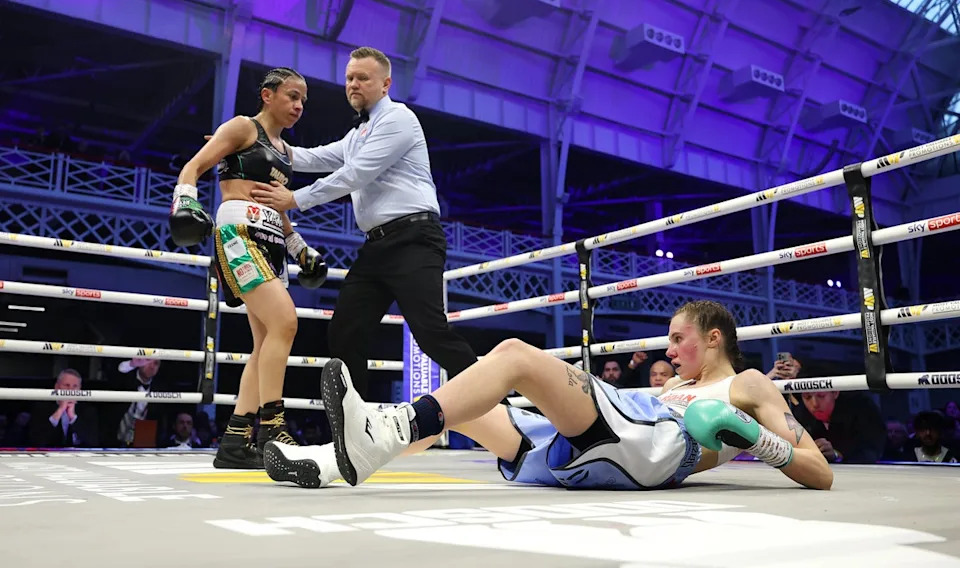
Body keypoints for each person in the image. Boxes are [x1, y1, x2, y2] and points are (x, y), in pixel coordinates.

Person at [263, 300, 833, 491]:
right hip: (618, 440)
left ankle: (371, 439)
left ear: (714, 338)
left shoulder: (747, 384)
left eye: (679, 339)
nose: (671, 350)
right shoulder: (679, 386)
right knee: (468, 409)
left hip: (654, 447)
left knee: (512, 355)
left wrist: (757, 438)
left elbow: (819, 472)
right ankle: (326, 461)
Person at [249, 46, 478, 401]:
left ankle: (511, 417)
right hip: (377, 246)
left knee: (432, 335)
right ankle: (358, 430)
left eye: (362, 78)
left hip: (414, 239)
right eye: (349, 78)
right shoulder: (358, 134)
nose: (353, 84)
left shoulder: (399, 119)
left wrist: (294, 199)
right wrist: (249, 141)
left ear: (385, 84)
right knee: (345, 332)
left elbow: (355, 174)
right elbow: (312, 157)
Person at [169, 67, 328, 469]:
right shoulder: (242, 127)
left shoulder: (286, 153)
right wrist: (185, 200)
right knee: (286, 323)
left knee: (264, 344)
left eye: (303, 100)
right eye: (292, 96)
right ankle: (273, 428)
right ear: (267, 95)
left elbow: (279, 206)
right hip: (239, 233)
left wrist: (300, 249)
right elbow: (193, 167)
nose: (298, 106)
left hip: (273, 241)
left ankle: (236, 442)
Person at [789, 365, 886, 464]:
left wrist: (837, 455)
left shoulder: (862, 409)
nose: (815, 404)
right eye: (807, 397)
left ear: (835, 393)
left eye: (821, 396)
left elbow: (872, 451)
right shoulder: (799, 414)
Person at [27, 369, 100, 448]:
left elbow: (93, 442)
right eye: (67, 385)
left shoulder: (88, 410)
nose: (71, 390)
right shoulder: (41, 408)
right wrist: (59, 411)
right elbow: (36, 442)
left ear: (80, 389)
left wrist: (73, 418)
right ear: (57, 387)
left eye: (75, 386)